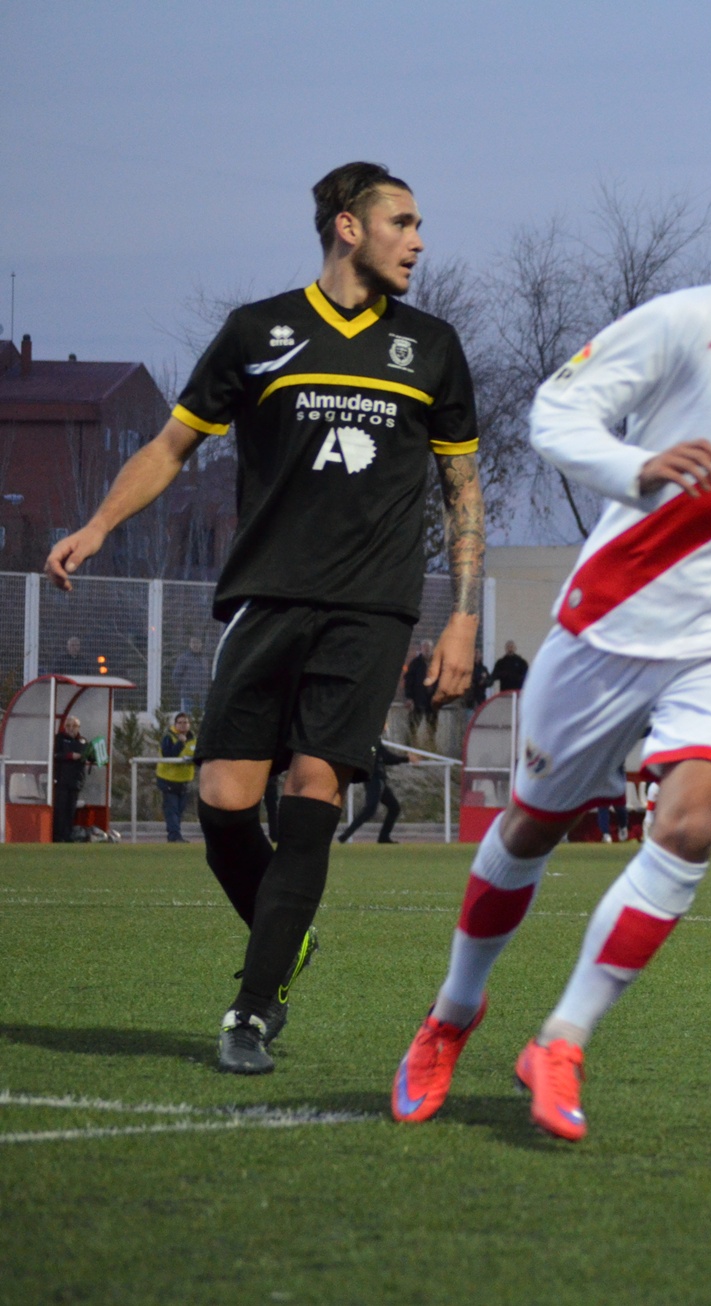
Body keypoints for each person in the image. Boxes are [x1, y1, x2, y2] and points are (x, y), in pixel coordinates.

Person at [390, 140, 711, 1140]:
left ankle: (562, 1037)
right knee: (531, 828)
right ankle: (452, 1015)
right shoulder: (694, 323)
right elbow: (555, 414)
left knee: (693, 824)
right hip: (612, 620)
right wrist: (637, 466)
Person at [45, 161, 483, 1074]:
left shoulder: (431, 347)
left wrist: (462, 620)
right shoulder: (258, 332)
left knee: (316, 788)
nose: (419, 239)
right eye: (402, 222)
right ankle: (284, 942)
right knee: (222, 803)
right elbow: (172, 447)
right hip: (264, 599)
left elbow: (461, 488)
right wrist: (95, 524)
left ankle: (252, 1007)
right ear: (346, 227)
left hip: (371, 608)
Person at [340, 741, 408, 843]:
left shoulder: (374, 743)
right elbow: (385, 756)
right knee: (370, 809)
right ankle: (345, 835)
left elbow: (384, 757)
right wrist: (406, 758)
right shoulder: (372, 744)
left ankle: (383, 837)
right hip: (374, 780)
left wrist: (405, 759)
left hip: (378, 780)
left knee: (394, 807)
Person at [155, 713, 196, 842]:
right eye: (180, 722)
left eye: (186, 722)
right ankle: (174, 836)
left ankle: (175, 835)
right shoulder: (169, 737)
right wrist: (180, 743)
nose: (183, 725)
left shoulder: (194, 739)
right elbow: (169, 755)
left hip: (184, 781)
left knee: (180, 810)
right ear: (175, 724)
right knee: (171, 809)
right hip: (169, 779)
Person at [53, 715, 91, 842]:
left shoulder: (83, 741)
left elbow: (91, 757)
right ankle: (58, 836)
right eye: (68, 726)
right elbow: (55, 755)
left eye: (73, 726)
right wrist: (70, 756)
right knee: (60, 809)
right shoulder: (59, 739)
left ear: (78, 728)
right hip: (62, 780)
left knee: (71, 810)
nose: (70, 728)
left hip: (76, 781)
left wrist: (95, 755)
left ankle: (68, 836)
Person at [404, 640, 437, 734]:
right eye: (425, 648)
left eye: (429, 648)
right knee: (413, 726)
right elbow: (408, 681)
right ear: (421, 649)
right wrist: (409, 697)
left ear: (432, 649)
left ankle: (429, 746)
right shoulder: (415, 663)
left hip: (432, 700)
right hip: (418, 699)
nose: (427, 650)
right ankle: (410, 745)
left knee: (432, 728)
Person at [172, 636, 211, 712]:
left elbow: (208, 677)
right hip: (188, 698)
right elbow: (176, 677)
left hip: (202, 698)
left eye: (198, 642)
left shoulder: (204, 659)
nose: (195, 645)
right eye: (193, 642)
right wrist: (185, 690)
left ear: (201, 644)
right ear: (189, 644)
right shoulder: (184, 658)